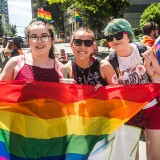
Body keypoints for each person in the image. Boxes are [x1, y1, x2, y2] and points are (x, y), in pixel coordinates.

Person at [104, 18, 160, 160]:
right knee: (130, 157)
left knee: (155, 156)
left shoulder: (145, 51)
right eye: (110, 37)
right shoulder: (108, 62)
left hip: (152, 108)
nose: (114, 40)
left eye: (118, 35)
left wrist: (149, 69)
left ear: (128, 34)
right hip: (128, 113)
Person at [0, 20, 65, 81]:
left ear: (52, 40)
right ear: (28, 41)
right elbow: (3, 90)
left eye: (44, 36)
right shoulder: (15, 63)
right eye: (34, 37)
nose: (39, 41)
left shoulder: (61, 69)